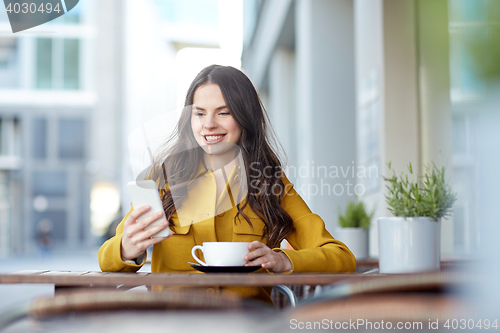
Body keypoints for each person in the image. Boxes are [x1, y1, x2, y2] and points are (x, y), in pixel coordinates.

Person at [98, 65, 356, 305]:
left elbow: (341, 257)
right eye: (199, 113)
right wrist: (127, 249)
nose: (209, 124)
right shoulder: (159, 179)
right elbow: (106, 257)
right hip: (175, 324)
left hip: (250, 325)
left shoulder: (270, 183)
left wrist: (283, 259)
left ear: (245, 118)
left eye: (224, 112)